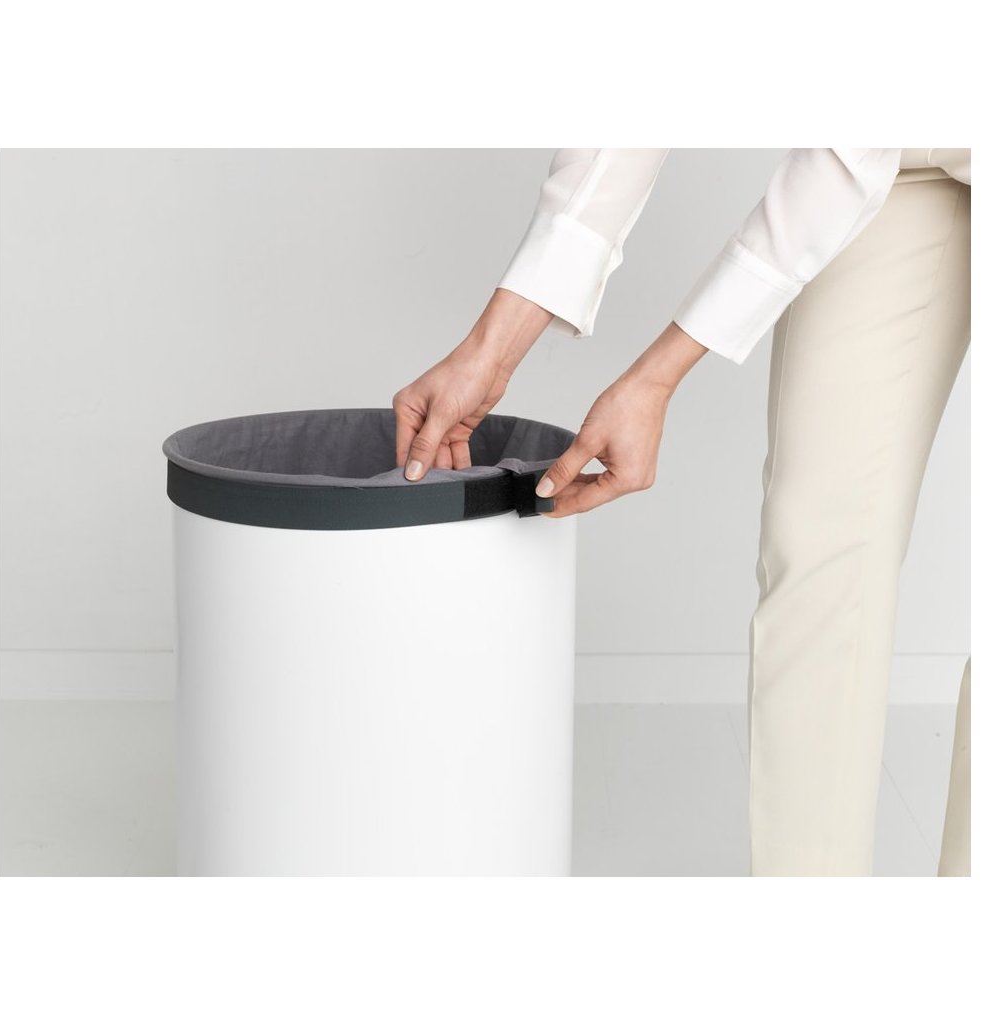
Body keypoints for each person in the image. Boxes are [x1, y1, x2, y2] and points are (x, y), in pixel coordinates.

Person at [391, 148, 971, 877]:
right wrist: (491, 351)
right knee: (817, 547)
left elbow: (848, 152)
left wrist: (657, 376)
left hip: (869, 145)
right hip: (900, 167)